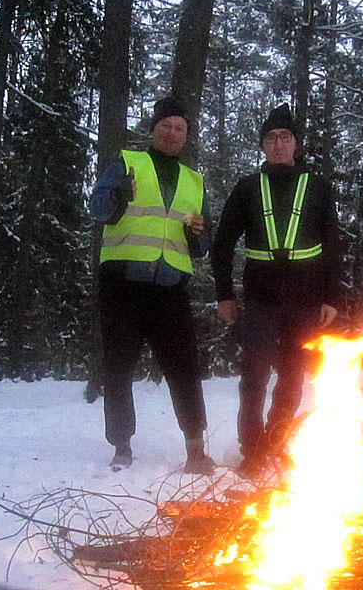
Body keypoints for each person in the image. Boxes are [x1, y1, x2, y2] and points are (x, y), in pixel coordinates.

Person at [211, 103, 343, 477]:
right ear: (262, 146)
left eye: (285, 137)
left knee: (293, 375)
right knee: (253, 374)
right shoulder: (248, 187)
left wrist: (333, 298)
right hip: (261, 298)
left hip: (305, 299)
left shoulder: (316, 186)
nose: (279, 144)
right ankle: (252, 449)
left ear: (296, 143)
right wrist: (225, 293)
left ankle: (276, 440)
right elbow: (222, 243)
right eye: (271, 138)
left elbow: (333, 244)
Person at [90, 96, 215, 475]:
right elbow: (97, 208)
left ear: (187, 135)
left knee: (185, 368)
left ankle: (196, 449)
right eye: (166, 126)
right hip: (123, 283)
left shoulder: (195, 180)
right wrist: (117, 197)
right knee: (118, 367)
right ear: (153, 129)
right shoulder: (128, 163)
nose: (173, 132)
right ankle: (122, 445)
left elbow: (202, 245)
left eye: (180, 128)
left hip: (170, 289)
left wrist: (198, 236)